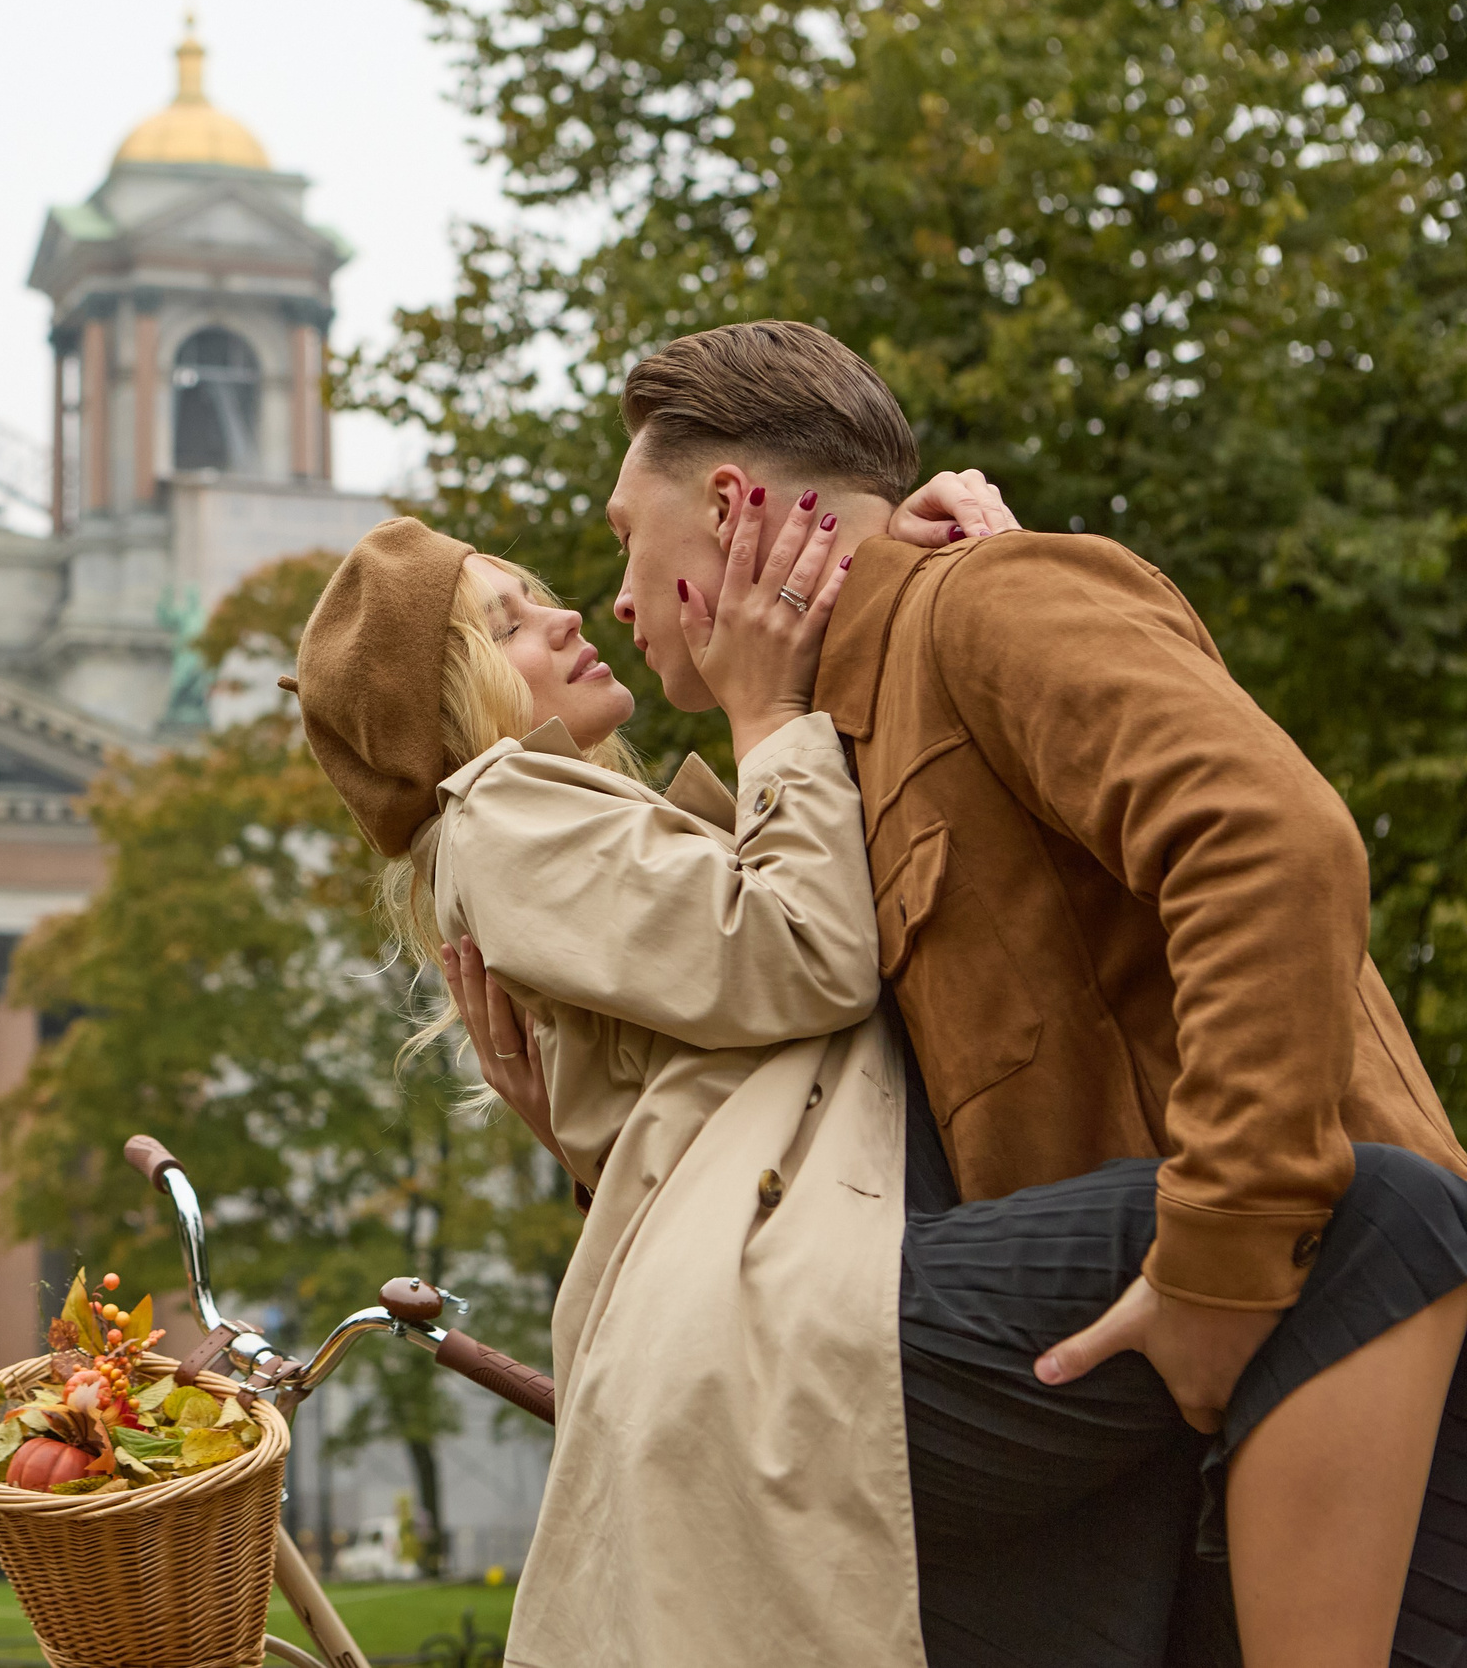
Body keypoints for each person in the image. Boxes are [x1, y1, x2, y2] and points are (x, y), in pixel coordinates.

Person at [443, 320, 1467, 1666]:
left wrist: (1219, 1254)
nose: (615, 598)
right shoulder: (828, 761)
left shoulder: (987, 601)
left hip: (1334, 1327)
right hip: (1169, 1411)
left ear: (736, 513)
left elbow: (1270, 839)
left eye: (629, 534)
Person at [289, 500, 932, 1663]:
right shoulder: (505, 817)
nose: (567, 615)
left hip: (749, 1299)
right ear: (464, 698)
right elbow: (805, 954)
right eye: (513, 620)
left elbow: (692, 1071)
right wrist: (766, 711)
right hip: (787, 1306)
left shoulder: (548, 826)